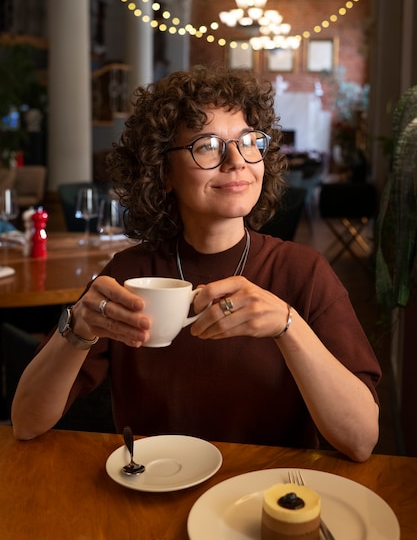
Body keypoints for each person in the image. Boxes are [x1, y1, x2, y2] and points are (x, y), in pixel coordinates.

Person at [12, 66, 381, 462]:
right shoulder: (126, 277)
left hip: (267, 503)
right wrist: (78, 328)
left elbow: (360, 440)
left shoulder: (303, 272)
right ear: (163, 171)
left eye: (249, 142)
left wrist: (287, 326)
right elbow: (27, 421)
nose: (236, 161)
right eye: (207, 145)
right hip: (150, 494)